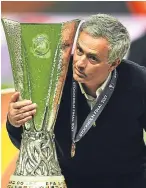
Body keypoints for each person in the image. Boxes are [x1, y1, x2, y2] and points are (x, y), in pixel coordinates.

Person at [6, 14, 146, 188]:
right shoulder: (52, 78)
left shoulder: (139, 82)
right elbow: (28, 143)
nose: (80, 63)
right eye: (79, 50)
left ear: (114, 63)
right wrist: (15, 121)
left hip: (128, 182)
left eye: (92, 58)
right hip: (69, 182)